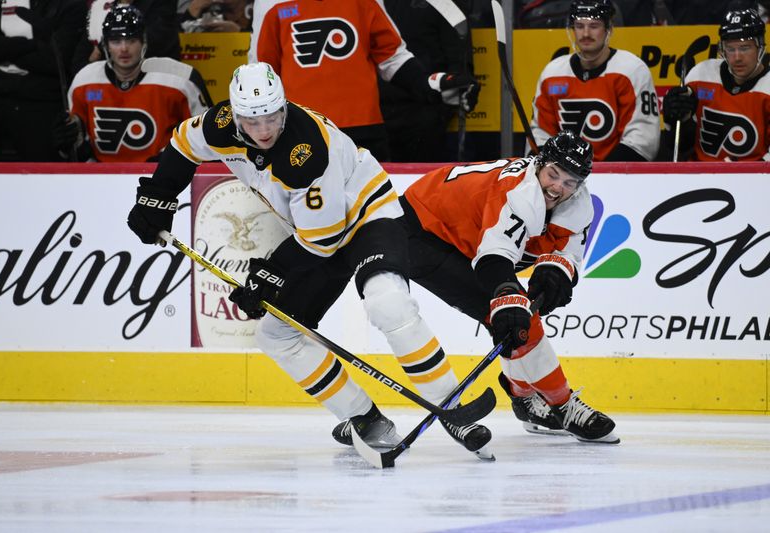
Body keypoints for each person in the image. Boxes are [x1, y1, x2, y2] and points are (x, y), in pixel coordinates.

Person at [125, 62, 494, 458]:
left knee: (388, 302)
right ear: (235, 115)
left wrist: (270, 274)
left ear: (283, 107)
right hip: (312, 233)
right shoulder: (220, 124)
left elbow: (325, 239)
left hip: (368, 217)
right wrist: (157, 196)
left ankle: (454, 410)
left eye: (271, 117)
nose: (264, 130)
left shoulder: (306, 152)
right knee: (275, 335)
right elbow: (183, 142)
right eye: (252, 121)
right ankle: (365, 418)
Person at [396, 130, 619, 444]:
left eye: (569, 182)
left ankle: (525, 397)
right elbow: (495, 257)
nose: (558, 187)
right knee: (514, 315)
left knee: (516, 318)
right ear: (539, 164)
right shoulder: (519, 193)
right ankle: (561, 405)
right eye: (553, 175)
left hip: (468, 236)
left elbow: (568, 252)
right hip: (422, 231)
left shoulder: (579, 205)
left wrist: (556, 273)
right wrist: (505, 293)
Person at [248, 0, 479, 162]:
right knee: (309, 216)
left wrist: (427, 84)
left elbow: (391, 55)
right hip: (304, 129)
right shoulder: (270, 3)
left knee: (373, 214)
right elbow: (261, 70)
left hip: (364, 130)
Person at [53, 4, 212, 162]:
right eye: (116, 41)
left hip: (160, 178)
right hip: (100, 178)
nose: (124, 48)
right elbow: (77, 143)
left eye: (131, 40)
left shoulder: (178, 80)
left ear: (143, 42)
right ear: (105, 45)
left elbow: (205, 137)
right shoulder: (85, 80)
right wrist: (69, 145)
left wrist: (171, 160)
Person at [529, 0, 660, 161]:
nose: (585, 34)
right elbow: (541, 134)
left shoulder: (632, 70)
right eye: (579, 26)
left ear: (608, 30)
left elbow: (642, 139)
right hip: (563, 178)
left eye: (594, 26)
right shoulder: (552, 73)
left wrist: (604, 174)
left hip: (617, 179)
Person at [0, 0, 86, 161]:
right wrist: (30, 45)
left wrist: (3, 48)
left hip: (41, 101)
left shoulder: (71, 5)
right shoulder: (2, 1)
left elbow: (55, 59)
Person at [660, 7, 770, 161]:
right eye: (730, 49)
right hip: (699, 176)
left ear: (760, 47)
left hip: (753, 181)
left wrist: (745, 174)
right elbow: (679, 146)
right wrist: (675, 121)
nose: (737, 57)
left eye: (745, 48)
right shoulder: (701, 75)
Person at [379, 0, 480, 162]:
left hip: (423, 116)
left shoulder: (445, 4)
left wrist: (452, 94)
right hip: (375, 117)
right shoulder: (369, 3)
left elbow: (459, 63)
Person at [71, 0, 181, 77]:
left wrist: (100, 49)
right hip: (106, 87)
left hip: (152, 83)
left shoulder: (161, 4)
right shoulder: (101, 8)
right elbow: (79, 66)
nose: (123, 47)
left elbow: (155, 43)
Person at [177, 0, 253, 33]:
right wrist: (192, 11)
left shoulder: (257, 12)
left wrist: (239, 33)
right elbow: (173, 44)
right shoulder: (204, 9)